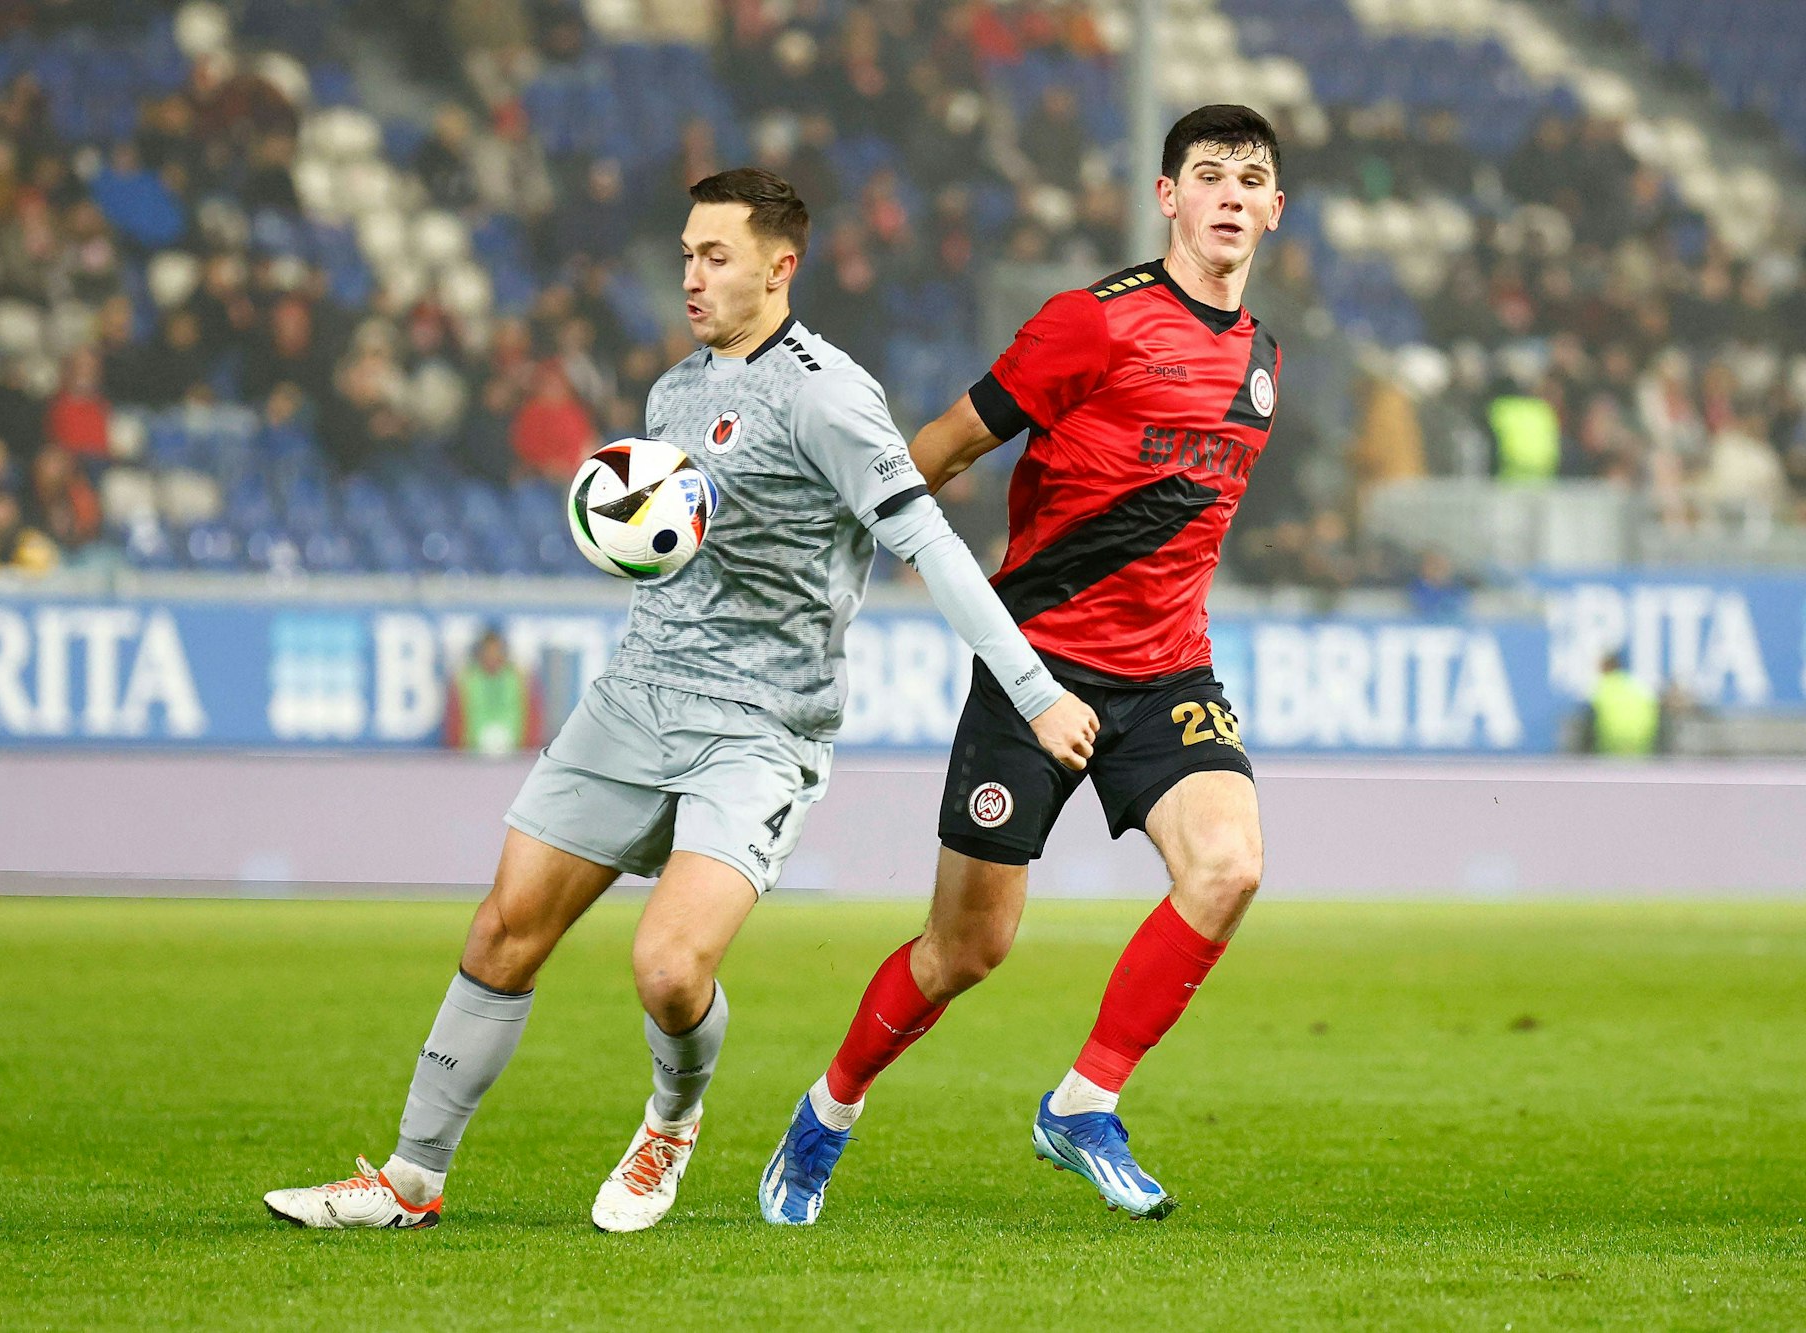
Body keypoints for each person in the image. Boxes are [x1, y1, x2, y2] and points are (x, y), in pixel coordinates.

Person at [263, 167, 1097, 1235]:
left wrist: (1032, 692)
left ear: (778, 267)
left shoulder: (827, 396)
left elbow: (927, 543)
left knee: (665, 968)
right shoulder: (673, 392)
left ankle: (671, 1114)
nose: (692, 278)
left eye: (715, 257)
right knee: (500, 935)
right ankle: (409, 1180)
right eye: (686, 257)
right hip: (635, 697)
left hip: (756, 726)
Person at [759, 105, 1287, 1226]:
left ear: (1274, 210)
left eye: (1251, 177)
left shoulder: (1263, 364)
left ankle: (1082, 1103)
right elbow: (940, 449)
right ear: (1167, 198)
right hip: (1033, 669)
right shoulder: (1089, 325)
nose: (1230, 193)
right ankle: (827, 1110)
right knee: (965, 949)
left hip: (1166, 676)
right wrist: (836, 563)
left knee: (1228, 866)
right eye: (1208, 174)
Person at [445, 629, 535, 756]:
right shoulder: (467, 679)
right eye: (488, 651)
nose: (492, 656)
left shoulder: (517, 679)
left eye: (496, 651)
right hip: (473, 751)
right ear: (480, 653)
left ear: (503, 653)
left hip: (513, 752)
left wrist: (527, 748)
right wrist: (458, 749)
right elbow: (454, 717)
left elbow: (530, 715)